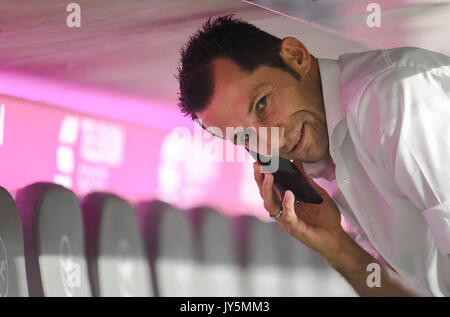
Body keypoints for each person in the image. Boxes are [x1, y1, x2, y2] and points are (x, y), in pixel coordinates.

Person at [176, 14, 450, 296]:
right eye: (245, 137)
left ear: (296, 56)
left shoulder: (394, 101)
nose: (271, 143)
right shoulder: (327, 155)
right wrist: (336, 247)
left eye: (262, 104)